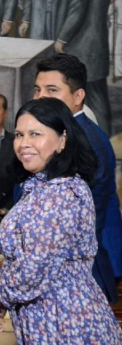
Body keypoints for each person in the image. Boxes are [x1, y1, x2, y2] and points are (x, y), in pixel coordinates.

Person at [0, 97, 122, 344]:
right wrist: (8, 302)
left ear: (62, 140)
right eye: (20, 134)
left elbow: (32, 271)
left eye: (36, 134)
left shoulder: (61, 193)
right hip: (46, 319)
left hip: (66, 323)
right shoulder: (40, 186)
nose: (24, 144)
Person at [33, 54, 122, 303]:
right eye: (37, 89)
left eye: (52, 90)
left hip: (77, 283)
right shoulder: (67, 134)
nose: (41, 97)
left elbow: (67, 226)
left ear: (78, 96)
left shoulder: (80, 142)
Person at [56, 0, 113, 136]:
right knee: (98, 95)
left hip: (81, 46)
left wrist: (62, 38)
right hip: (98, 44)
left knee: (80, 93)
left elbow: (76, 11)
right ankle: (103, 137)